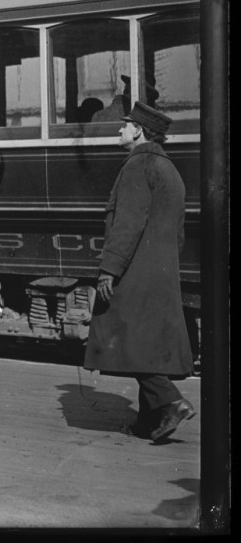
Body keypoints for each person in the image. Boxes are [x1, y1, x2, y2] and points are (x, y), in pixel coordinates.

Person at [83, 103, 195, 443]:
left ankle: (170, 401)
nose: (120, 131)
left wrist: (109, 270)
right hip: (160, 270)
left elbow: (126, 224)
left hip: (134, 270)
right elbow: (179, 232)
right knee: (146, 342)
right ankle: (150, 420)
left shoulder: (137, 166)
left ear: (139, 131)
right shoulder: (168, 169)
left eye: (125, 125)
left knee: (125, 337)